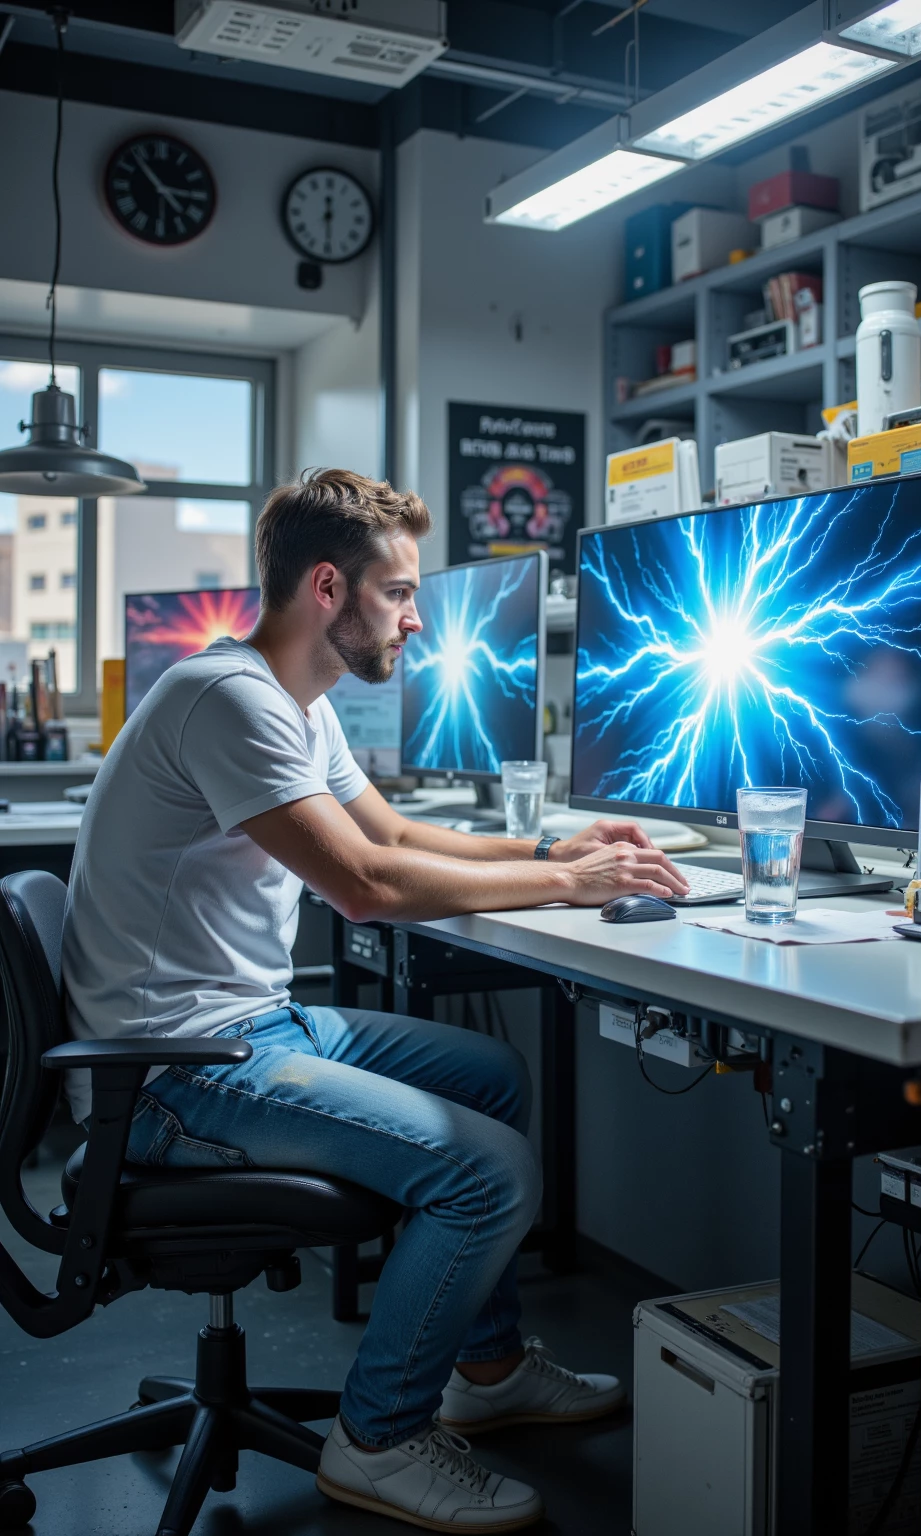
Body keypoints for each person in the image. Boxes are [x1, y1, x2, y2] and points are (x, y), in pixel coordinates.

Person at [62, 468, 690, 1532]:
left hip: (243, 1026)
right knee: (488, 1174)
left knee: (486, 1077)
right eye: (397, 592)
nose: (413, 617)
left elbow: (394, 836)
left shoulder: (290, 702)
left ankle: (485, 1372)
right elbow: (364, 886)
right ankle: (379, 1439)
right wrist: (569, 886)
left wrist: (554, 844)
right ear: (324, 588)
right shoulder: (227, 699)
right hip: (173, 1072)